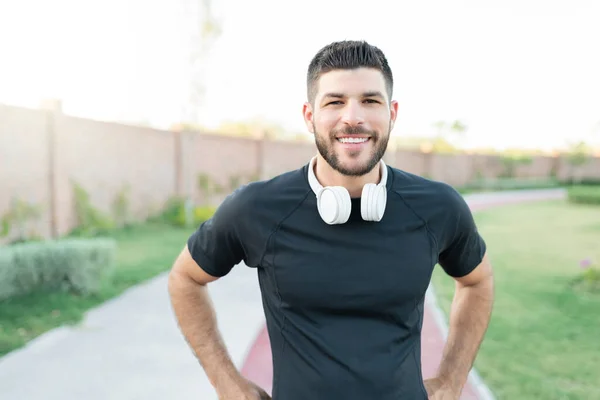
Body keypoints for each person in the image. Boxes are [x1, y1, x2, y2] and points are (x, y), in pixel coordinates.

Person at [168, 40, 495, 400]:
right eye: (335, 101)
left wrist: (452, 378)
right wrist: (227, 383)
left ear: (393, 113)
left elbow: (478, 282)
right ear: (310, 116)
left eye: (370, 101)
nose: (353, 117)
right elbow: (185, 278)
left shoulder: (439, 207)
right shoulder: (256, 207)